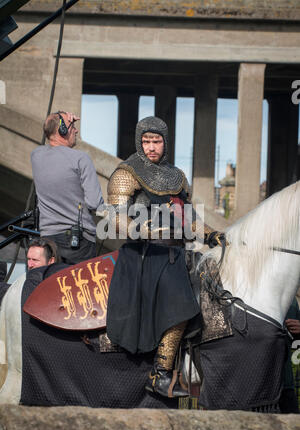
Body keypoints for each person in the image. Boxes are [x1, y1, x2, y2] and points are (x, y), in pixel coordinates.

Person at [106, 116, 222, 399]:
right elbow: (114, 218)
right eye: (146, 141)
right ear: (139, 142)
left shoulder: (177, 177)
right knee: (181, 304)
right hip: (143, 256)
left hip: (175, 253)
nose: (151, 147)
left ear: (165, 143)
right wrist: (142, 228)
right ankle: (160, 373)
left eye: (156, 141)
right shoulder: (127, 173)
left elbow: (188, 217)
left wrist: (210, 234)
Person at [31, 110, 104, 265]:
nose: (76, 130)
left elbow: (51, 133)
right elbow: (94, 203)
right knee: (80, 287)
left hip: (48, 240)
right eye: (73, 126)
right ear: (63, 131)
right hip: (78, 243)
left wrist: (61, 120)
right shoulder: (81, 159)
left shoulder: (36, 156)